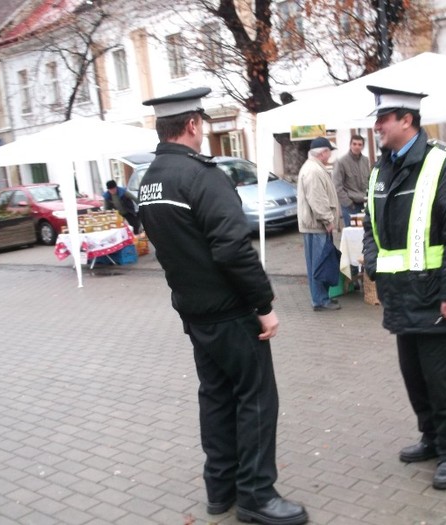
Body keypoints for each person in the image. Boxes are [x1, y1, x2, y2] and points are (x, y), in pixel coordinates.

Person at [138, 87, 308, 525]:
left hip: (195, 313)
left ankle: (221, 489)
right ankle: (256, 496)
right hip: (230, 312)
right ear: (193, 125)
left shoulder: (150, 181)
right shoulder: (202, 176)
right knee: (254, 399)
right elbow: (232, 249)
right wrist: (264, 304)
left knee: (215, 397)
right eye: (203, 123)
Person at [362, 86, 446, 490]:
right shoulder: (382, 170)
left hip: (436, 299)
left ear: (407, 120)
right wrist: (374, 266)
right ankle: (431, 439)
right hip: (400, 298)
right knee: (415, 378)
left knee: (444, 381)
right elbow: (370, 226)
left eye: (383, 119)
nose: (376, 126)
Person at [297, 136, 341, 312]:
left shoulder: (313, 168)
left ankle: (321, 298)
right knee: (319, 264)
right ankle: (320, 300)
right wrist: (328, 220)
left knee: (317, 263)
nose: (329, 155)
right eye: (329, 151)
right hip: (317, 226)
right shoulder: (314, 170)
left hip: (314, 225)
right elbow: (317, 199)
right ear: (323, 152)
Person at [333, 134, 370, 227]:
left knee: (365, 232)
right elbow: (337, 185)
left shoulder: (365, 160)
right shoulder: (341, 161)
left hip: (364, 204)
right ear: (350, 145)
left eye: (359, 144)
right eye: (354, 144)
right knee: (352, 233)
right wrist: (348, 203)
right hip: (350, 205)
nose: (357, 146)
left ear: (363, 146)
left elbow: (369, 181)